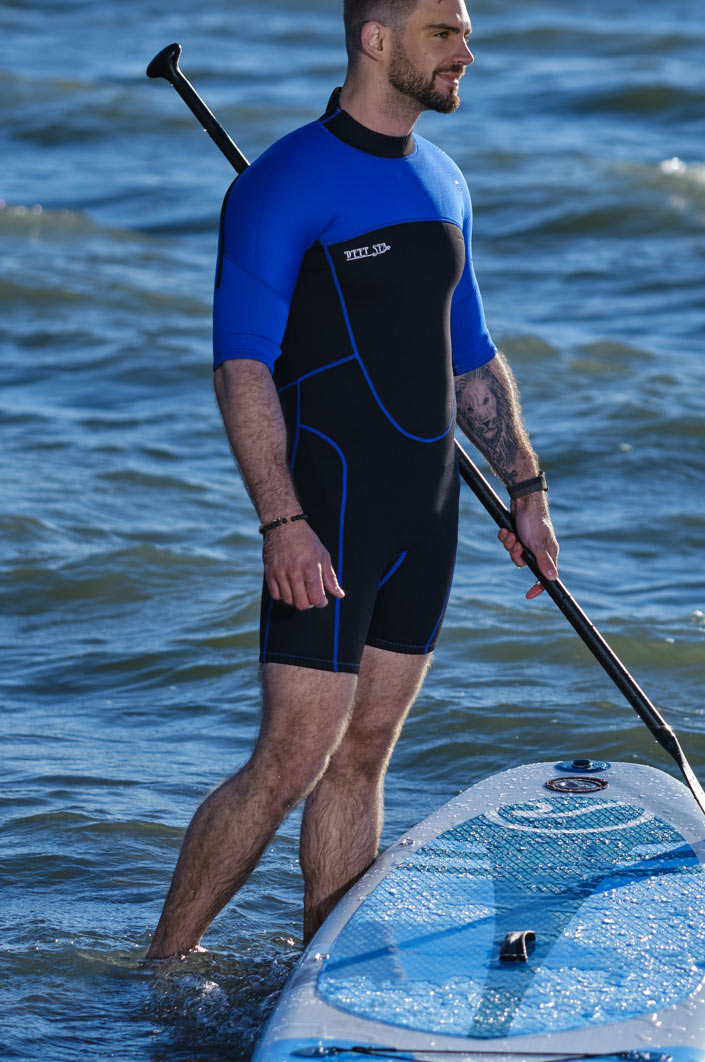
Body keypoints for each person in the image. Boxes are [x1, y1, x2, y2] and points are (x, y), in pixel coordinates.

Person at [145, 0, 559, 961]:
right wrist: (280, 520)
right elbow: (240, 365)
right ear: (378, 40)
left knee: (363, 754)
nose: (467, 49)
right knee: (291, 759)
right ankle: (161, 969)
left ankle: (321, 974)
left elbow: (473, 357)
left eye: (464, 31)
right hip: (326, 511)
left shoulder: (444, 179)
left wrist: (527, 487)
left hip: (429, 510)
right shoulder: (283, 183)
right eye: (444, 32)